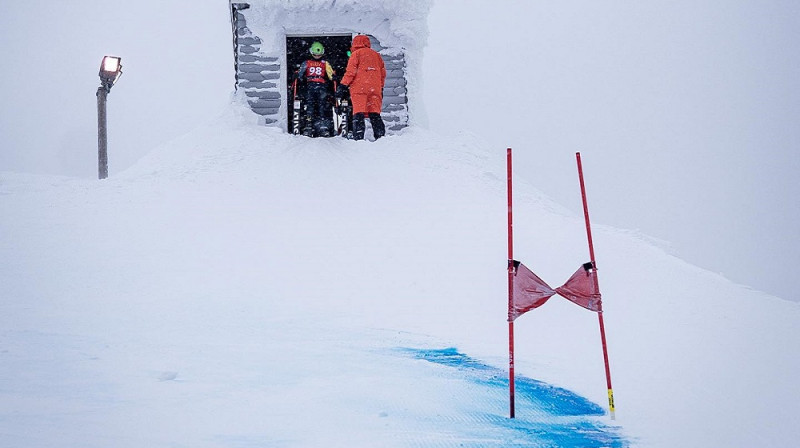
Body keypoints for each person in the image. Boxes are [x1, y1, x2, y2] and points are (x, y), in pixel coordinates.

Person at [337, 35, 386, 140]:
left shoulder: (356, 55)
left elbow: (350, 73)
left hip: (359, 89)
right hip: (375, 88)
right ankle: (380, 137)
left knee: (358, 113)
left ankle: (359, 137)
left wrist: (342, 86)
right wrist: (381, 87)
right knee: (375, 113)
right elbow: (383, 74)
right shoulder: (377, 55)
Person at [297, 41, 335, 137]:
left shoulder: (306, 63)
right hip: (321, 87)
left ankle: (309, 124)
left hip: (310, 86)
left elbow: (300, 75)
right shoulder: (325, 63)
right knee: (320, 105)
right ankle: (321, 125)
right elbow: (331, 76)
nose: (317, 56)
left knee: (310, 106)